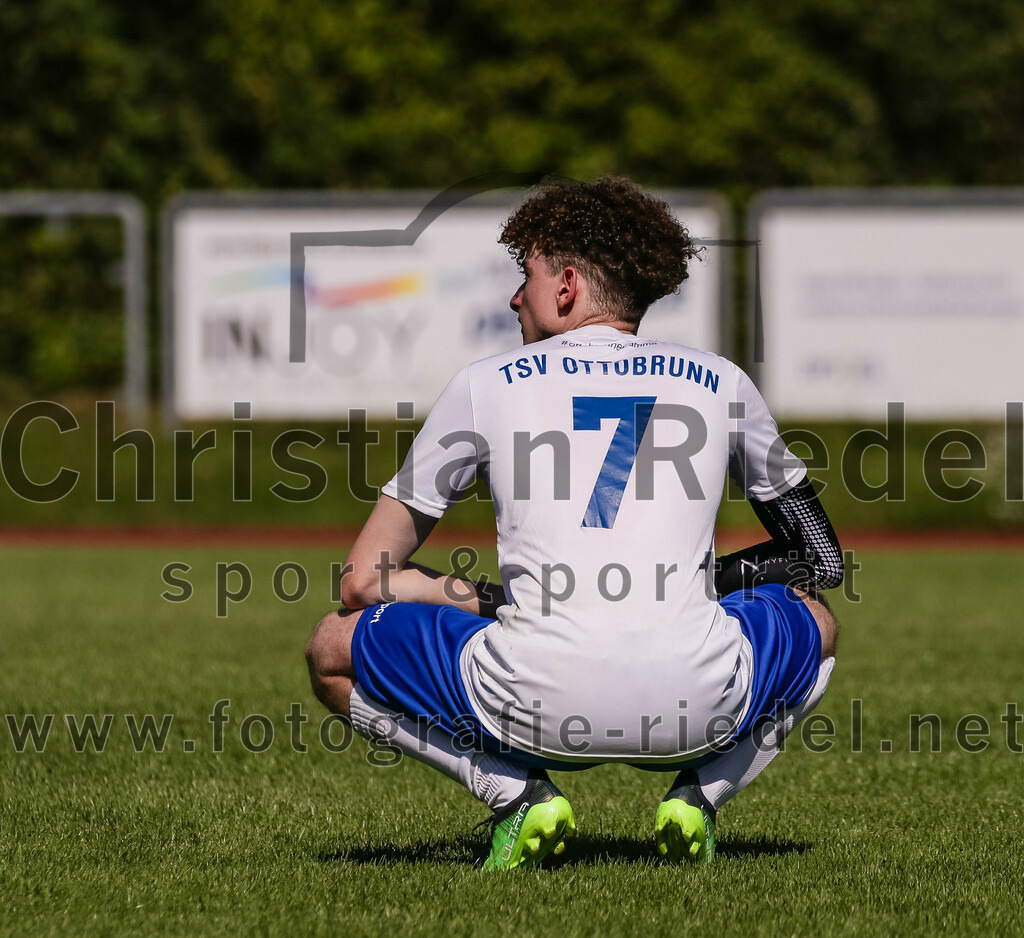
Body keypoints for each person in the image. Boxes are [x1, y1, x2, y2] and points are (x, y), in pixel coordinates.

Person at [305, 177, 843, 870]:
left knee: (330, 646)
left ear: (564, 285)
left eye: (522, 274)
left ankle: (514, 796)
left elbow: (361, 580)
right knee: (820, 623)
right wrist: (702, 584)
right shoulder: (722, 379)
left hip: (526, 703)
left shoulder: (485, 383)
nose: (513, 296)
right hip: (699, 709)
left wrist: (483, 600)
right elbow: (820, 558)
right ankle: (701, 798)